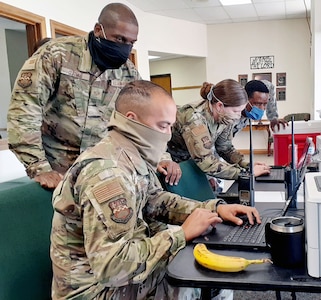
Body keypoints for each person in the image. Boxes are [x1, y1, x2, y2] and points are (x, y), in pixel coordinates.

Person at [50, 80, 261, 299]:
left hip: (119, 270)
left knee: (209, 270)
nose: (169, 135)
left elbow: (154, 199)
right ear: (132, 120)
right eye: (163, 126)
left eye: (171, 126)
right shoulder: (108, 173)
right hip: (93, 289)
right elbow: (112, 267)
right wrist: (180, 235)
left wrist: (214, 209)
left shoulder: (129, 153)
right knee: (198, 278)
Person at [7, 3, 180, 190]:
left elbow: (147, 120)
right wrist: (39, 168)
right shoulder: (57, 55)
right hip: (56, 171)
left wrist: (161, 158)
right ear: (99, 30)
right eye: (119, 39)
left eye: (131, 42)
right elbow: (24, 110)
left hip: (101, 169)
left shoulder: (127, 73)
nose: (125, 48)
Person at [167, 79, 270, 182]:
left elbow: (225, 148)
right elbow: (206, 163)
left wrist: (247, 165)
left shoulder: (225, 117)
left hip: (193, 160)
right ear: (220, 106)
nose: (239, 115)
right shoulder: (195, 119)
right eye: (236, 111)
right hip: (173, 164)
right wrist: (247, 174)